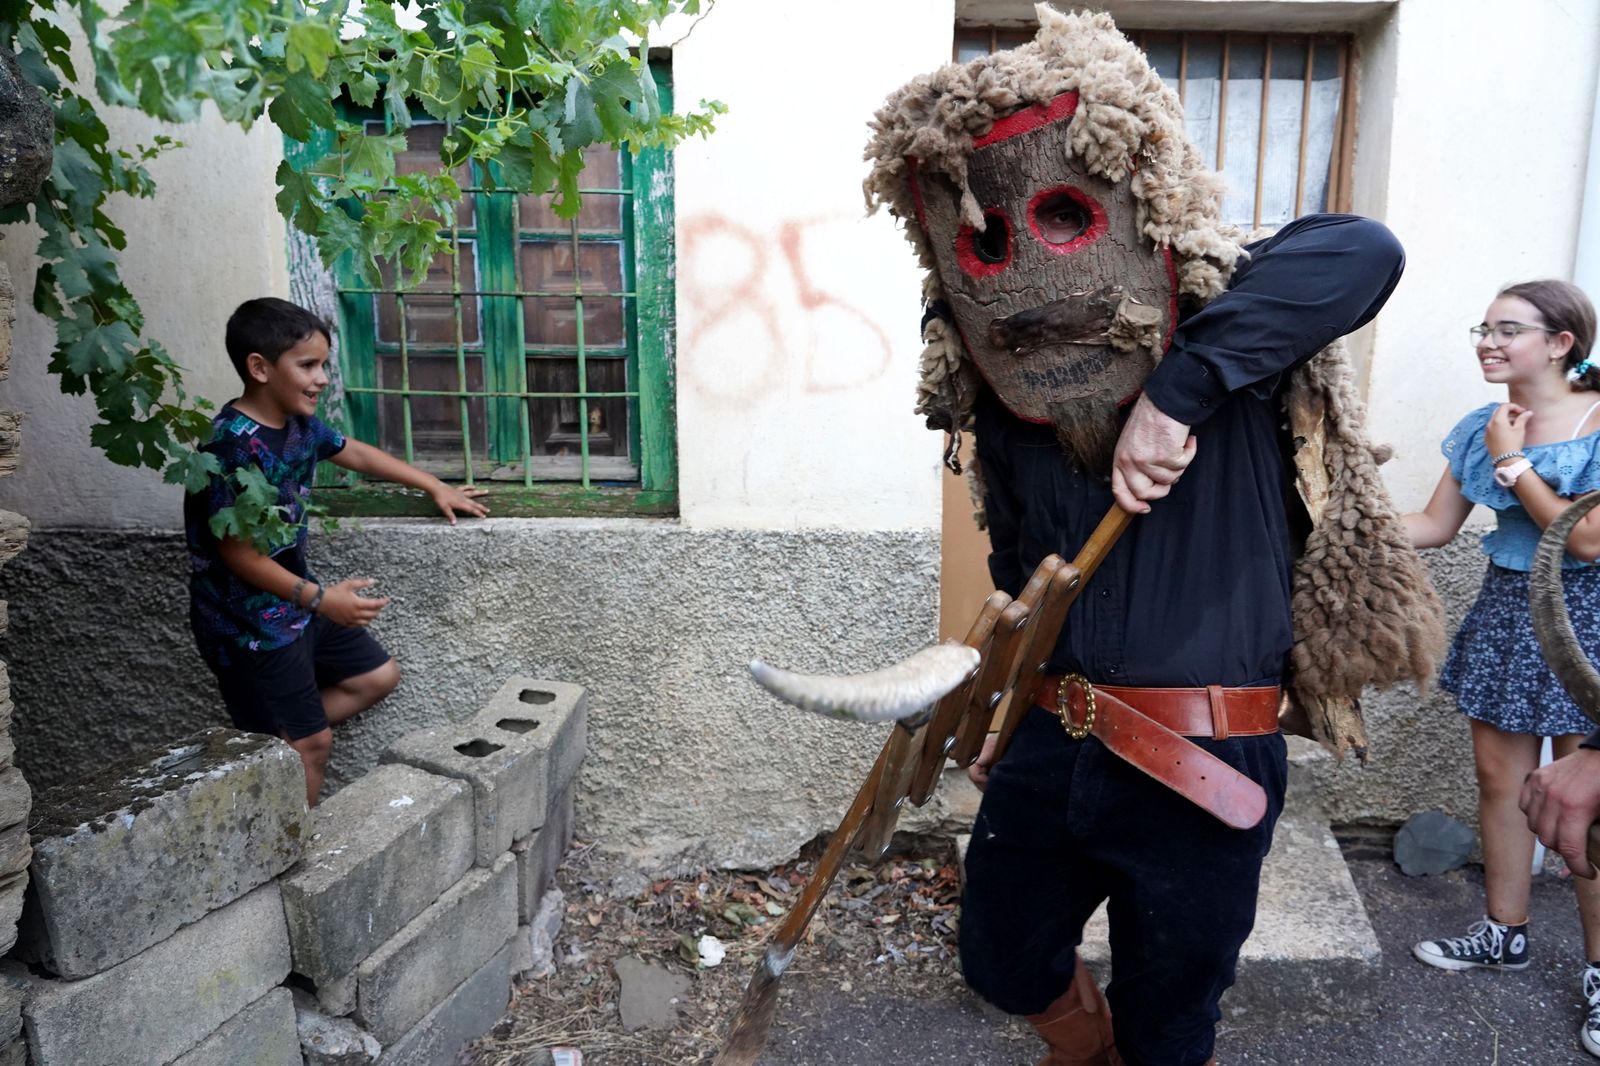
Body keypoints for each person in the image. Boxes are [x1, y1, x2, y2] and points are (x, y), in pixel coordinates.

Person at [864, 12, 1443, 1064]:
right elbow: (1019, 569)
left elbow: (1364, 249)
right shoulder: (1003, 399)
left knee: (1173, 1012)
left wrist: (1176, 395)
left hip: (1202, 747)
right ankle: (1081, 1046)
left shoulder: (1226, 327)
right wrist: (1000, 705)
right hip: (1048, 734)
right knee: (999, 955)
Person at [185, 297, 488, 806]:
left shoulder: (300, 426)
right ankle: (288, 858)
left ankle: (273, 744)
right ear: (259, 368)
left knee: (376, 676)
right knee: (313, 743)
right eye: (307, 365)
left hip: (295, 607)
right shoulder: (230, 448)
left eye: (323, 364)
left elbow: (356, 453)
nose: (322, 377)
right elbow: (238, 556)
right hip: (249, 623)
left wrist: (433, 485)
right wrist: (322, 600)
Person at [1402, 279, 1600, 1056]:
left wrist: (1515, 464)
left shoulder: (1592, 419)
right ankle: (1503, 932)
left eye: (1507, 329)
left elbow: (1587, 542)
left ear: (1561, 343)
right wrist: (1327, 522)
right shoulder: (1481, 425)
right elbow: (1432, 524)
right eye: (1481, 327)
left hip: (1586, 622)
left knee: (1582, 804)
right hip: (1506, 611)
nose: (1487, 341)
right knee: (1501, 785)